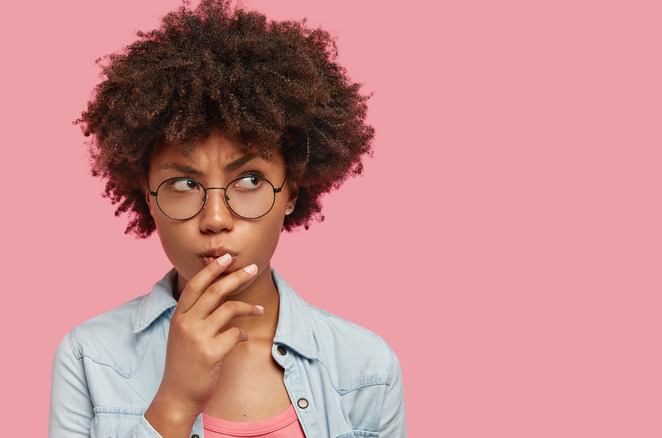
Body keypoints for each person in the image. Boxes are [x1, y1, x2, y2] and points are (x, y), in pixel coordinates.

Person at [49, 1, 406, 436]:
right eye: (183, 184)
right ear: (148, 196)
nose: (215, 219)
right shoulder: (89, 358)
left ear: (290, 192)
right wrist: (175, 403)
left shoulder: (367, 370)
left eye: (250, 179)